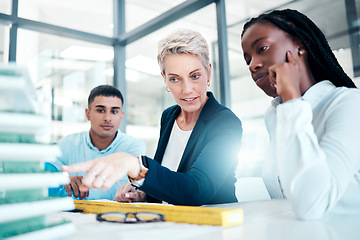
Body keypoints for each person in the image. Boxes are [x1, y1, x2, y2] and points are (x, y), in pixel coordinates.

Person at [63, 29, 243, 206]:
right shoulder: (169, 116)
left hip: (214, 227)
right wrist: (142, 194)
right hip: (173, 222)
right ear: (164, 79)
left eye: (195, 76)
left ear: (209, 72)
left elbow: (196, 190)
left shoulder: (226, 123)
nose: (187, 89)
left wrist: (136, 166)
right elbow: (171, 185)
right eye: (174, 79)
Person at [241, 9, 360, 220]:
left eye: (262, 48)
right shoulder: (275, 115)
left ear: (300, 43)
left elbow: (311, 205)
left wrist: (292, 99)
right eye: (247, 59)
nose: (253, 65)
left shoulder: (348, 104)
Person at [47, 85, 146, 200]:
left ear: (121, 116)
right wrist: (62, 179)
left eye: (114, 111)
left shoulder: (133, 147)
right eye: (100, 110)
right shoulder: (67, 144)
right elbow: (42, 175)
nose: (107, 118)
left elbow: (138, 190)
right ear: (88, 114)